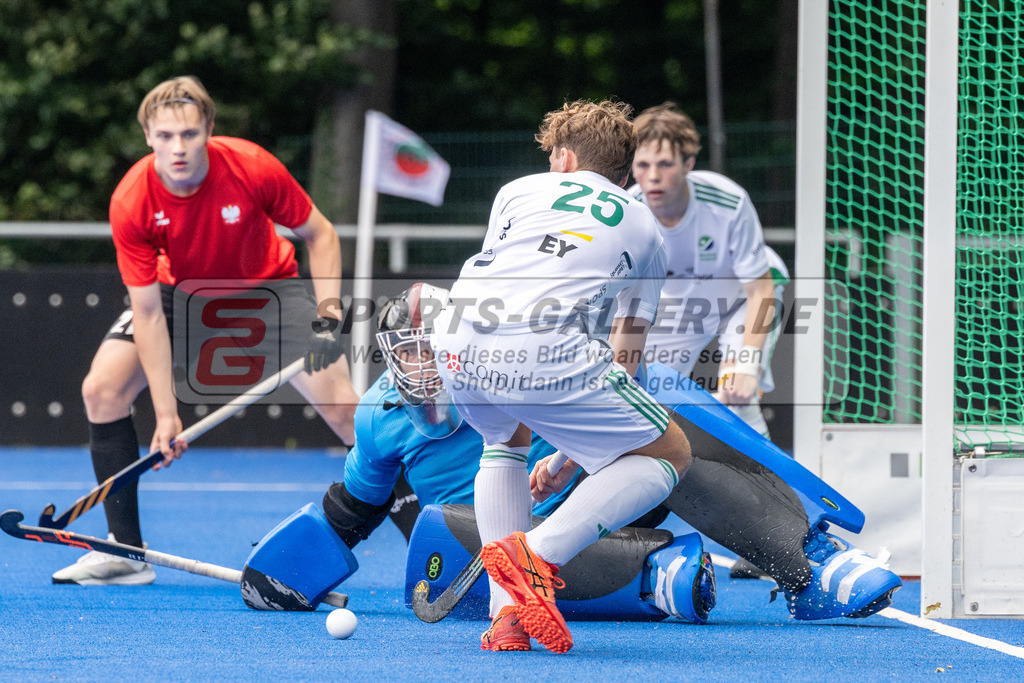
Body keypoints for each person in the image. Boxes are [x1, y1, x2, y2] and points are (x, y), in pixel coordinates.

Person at [312, 282, 900, 649]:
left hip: (589, 495)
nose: (422, 364)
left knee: (662, 424)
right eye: (408, 352)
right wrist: (285, 577)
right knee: (447, 532)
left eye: (430, 346)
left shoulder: (506, 359)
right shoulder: (378, 415)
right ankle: (654, 577)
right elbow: (352, 508)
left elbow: (602, 406)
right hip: (491, 545)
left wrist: (567, 459)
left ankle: (808, 565)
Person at [52, 76, 360, 586]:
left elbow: (320, 234)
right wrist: (166, 414)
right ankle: (126, 552)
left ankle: (437, 553)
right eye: (165, 136)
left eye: (189, 134)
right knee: (102, 389)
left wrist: (328, 317)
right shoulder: (131, 199)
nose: (178, 148)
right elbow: (148, 312)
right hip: (179, 295)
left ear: (209, 130)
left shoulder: (251, 166)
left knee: (347, 410)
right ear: (148, 136)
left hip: (269, 292)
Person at [430, 100, 691, 654]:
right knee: (670, 453)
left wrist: (564, 456)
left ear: (564, 158)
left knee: (505, 439)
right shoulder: (644, 227)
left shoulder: (515, 191)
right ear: (624, 176)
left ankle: (508, 619)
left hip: (455, 334)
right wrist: (571, 460)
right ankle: (537, 554)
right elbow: (624, 357)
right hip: (541, 347)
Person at [629, 102, 790, 439]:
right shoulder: (629, 213)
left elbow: (760, 290)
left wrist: (747, 363)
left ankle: (765, 470)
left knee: (737, 394)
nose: (653, 176)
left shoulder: (728, 202)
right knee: (645, 397)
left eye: (665, 164)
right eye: (643, 165)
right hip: (681, 307)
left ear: (688, 164)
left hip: (743, 300)